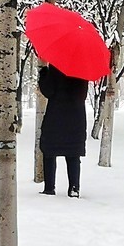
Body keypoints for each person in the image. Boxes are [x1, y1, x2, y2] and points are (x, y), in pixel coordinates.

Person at [38, 64, 88, 197]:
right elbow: (82, 95)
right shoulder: (83, 68)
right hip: (76, 116)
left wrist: (43, 72)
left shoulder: (56, 65)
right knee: (73, 153)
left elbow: (48, 90)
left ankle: (49, 187)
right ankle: (74, 188)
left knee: (49, 150)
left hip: (56, 115)